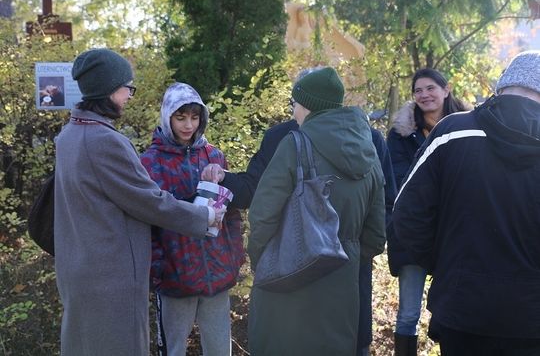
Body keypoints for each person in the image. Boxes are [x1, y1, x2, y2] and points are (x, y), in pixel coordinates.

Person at [202, 68, 397, 356]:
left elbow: (263, 214)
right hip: (343, 287)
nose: (293, 111)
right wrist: (350, 256)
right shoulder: (369, 148)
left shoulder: (294, 144)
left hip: (289, 280)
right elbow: (376, 233)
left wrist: (261, 259)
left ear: (306, 105)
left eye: (295, 104)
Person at [54, 49, 224, 356]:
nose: (129, 95)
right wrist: (204, 217)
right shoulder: (105, 141)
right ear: (108, 89)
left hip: (80, 267)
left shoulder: (69, 135)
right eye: (126, 87)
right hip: (108, 275)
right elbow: (150, 201)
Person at [392, 50, 540, 355]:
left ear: (502, 87)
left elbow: (406, 213)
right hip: (530, 316)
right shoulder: (452, 132)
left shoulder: (451, 131)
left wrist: (444, 265)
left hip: (462, 307)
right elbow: (407, 213)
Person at [140, 82, 245, 356]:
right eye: (181, 117)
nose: (188, 125)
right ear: (167, 117)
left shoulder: (214, 156)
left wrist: (235, 256)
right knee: (173, 350)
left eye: (194, 117)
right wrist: (158, 269)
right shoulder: (150, 163)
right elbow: (145, 223)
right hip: (175, 278)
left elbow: (231, 211)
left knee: (221, 350)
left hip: (217, 275)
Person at [386, 68, 470, 355]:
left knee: (456, 309)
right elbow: (400, 182)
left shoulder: (468, 127)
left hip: (456, 234)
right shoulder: (401, 135)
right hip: (413, 232)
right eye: (418, 90)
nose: (424, 95)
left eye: (430, 88)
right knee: (409, 313)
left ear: (446, 89)